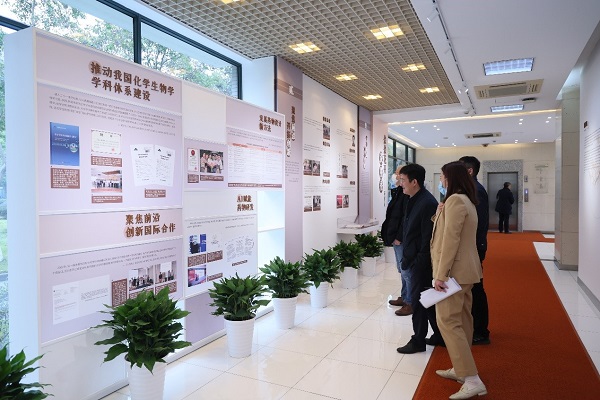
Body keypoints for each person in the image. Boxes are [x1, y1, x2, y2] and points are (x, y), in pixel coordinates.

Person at [432, 161, 487, 399]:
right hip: (466, 271)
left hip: (453, 272)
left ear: (451, 178)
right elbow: (448, 231)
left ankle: (472, 379)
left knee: (447, 320)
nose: (441, 180)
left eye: (442, 176)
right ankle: (461, 369)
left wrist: (440, 274)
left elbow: (450, 240)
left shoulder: (456, 200)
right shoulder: (465, 200)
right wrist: (439, 213)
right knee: (463, 320)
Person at [396, 163, 442, 354]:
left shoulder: (427, 202)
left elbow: (427, 238)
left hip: (421, 263)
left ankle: (418, 340)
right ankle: (439, 334)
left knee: (419, 301)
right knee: (426, 300)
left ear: (414, 182)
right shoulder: (414, 198)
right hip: (415, 259)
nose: (400, 183)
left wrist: (418, 262)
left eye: (403, 180)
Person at [459, 156, 490, 345]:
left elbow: (478, 225)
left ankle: (481, 331)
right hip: (472, 247)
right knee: (472, 289)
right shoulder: (470, 189)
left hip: (474, 248)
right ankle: (473, 326)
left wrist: (474, 249)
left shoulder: (476, 191)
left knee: (476, 289)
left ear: (470, 171)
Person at [381, 167, 412, 316]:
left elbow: (405, 218)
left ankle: (410, 302)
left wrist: (399, 236)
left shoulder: (407, 194)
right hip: (395, 237)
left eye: (398, 174)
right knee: (402, 270)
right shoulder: (399, 191)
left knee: (406, 271)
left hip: (401, 239)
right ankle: (404, 296)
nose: (396, 176)